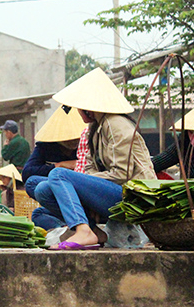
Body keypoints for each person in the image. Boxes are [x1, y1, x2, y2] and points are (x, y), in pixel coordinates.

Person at [33, 68, 156, 250]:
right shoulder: (94, 128)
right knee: (42, 188)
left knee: (59, 175)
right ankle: (92, 230)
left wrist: (81, 183)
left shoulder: (116, 125)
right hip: (113, 191)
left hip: (134, 197)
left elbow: (122, 174)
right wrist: (84, 185)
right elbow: (90, 169)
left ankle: (84, 232)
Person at [22, 105, 87, 230]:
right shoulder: (46, 147)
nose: (72, 142)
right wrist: (59, 166)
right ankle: (67, 228)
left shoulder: (87, 143)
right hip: (61, 195)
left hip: (83, 189)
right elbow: (27, 173)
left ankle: (79, 223)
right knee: (37, 212)